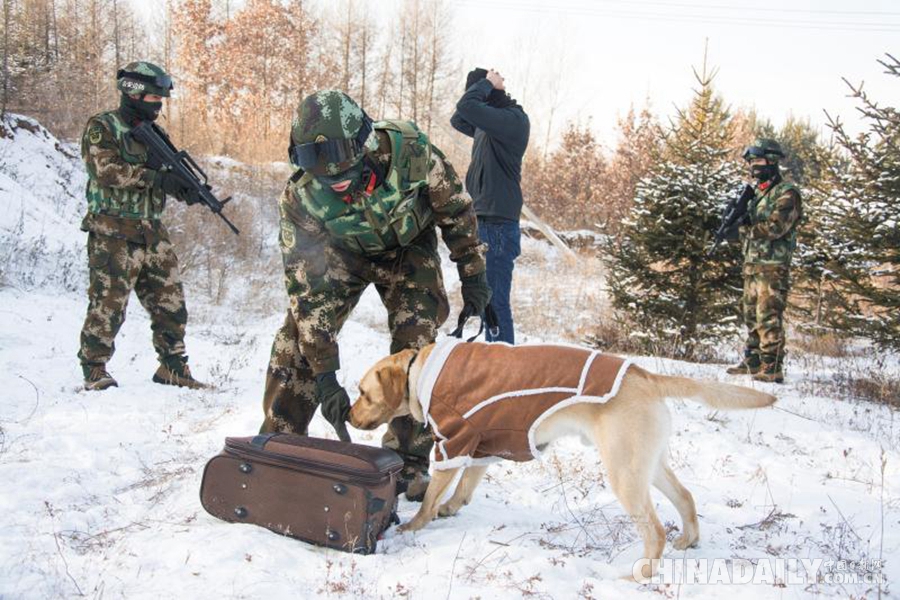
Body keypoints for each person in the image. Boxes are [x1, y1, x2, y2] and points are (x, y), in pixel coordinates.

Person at [261, 90, 489, 499]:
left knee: (418, 345)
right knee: (296, 340)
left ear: (363, 144)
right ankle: (279, 445)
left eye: (343, 171)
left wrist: (473, 276)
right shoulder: (301, 198)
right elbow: (307, 292)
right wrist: (325, 374)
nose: (336, 182)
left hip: (407, 250)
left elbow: (455, 211)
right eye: (323, 174)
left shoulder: (412, 155)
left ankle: (409, 460)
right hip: (340, 256)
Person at [78, 61, 207, 391]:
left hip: (151, 230)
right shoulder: (103, 126)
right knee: (109, 303)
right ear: (133, 93)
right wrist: (156, 179)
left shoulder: (153, 132)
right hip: (113, 230)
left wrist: (183, 189)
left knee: (171, 301)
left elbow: (165, 172)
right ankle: (95, 368)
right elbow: (105, 171)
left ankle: (173, 366)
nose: (158, 106)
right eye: (153, 99)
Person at [451, 68, 530, 344]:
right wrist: (483, 86)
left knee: (496, 304)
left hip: (497, 225)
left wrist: (487, 84)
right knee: (486, 302)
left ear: (489, 93)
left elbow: (466, 106)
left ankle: (505, 373)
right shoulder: (488, 126)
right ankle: (496, 366)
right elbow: (458, 117)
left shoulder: (512, 121)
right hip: (483, 221)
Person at [726, 138, 802, 384]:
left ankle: (772, 366)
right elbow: (747, 226)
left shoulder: (787, 192)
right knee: (750, 314)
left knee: (768, 315)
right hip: (752, 264)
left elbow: (776, 227)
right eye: (751, 162)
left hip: (773, 266)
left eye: (758, 161)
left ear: (772, 161)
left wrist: (745, 228)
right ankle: (753, 360)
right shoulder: (756, 193)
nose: (754, 166)